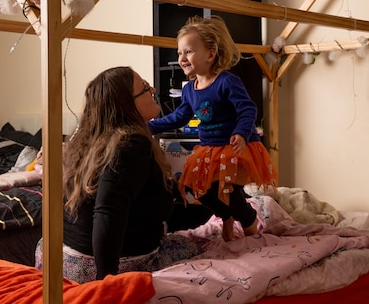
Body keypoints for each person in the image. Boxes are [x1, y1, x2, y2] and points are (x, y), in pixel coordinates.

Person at [38, 66, 203, 283]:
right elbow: (107, 213)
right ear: (126, 104)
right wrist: (106, 283)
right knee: (200, 245)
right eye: (145, 87)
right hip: (98, 267)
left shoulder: (89, 141)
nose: (153, 88)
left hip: (59, 258)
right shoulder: (130, 145)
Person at [148, 16, 277, 242]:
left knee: (228, 191)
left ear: (210, 54)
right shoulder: (189, 89)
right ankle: (226, 216)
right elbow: (179, 117)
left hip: (234, 146)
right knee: (200, 190)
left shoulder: (226, 82)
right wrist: (148, 125)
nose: (181, 58)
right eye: (179, 53)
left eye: (188, 52)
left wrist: (240, 132)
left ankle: (249, 222)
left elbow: (247, 109)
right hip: (209, 149)